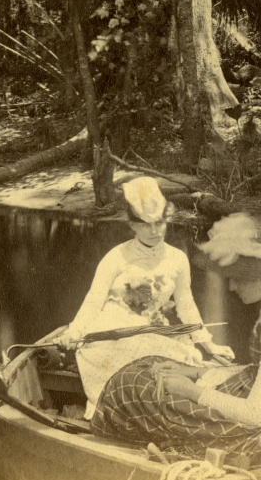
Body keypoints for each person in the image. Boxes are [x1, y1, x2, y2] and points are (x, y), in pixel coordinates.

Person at [90, 212, 261, 468]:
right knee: (151, 364)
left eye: (237, 276)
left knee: (131, 385)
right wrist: (195, 372)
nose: (231, 286)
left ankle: (112, 455)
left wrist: (191, 390)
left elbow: (254, 414)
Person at [57, 176, 225, 418]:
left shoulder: (177, 258)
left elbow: (186, 305)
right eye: (146, 224)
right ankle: (116, 417)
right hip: (113, 330)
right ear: (133, 225)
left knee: (184, 363)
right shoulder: (116, 256)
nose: (155, 231)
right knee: (135, 365)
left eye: (159, 222)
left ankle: (160, 418)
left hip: (153, 329)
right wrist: (74, 333)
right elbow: (94, 301)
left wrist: (209, 343)